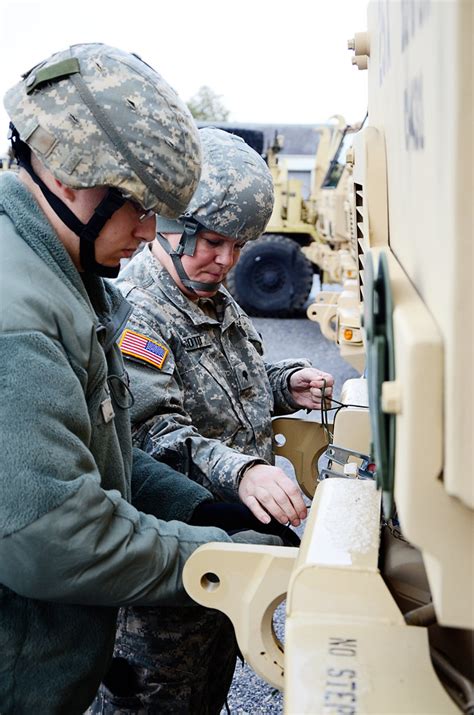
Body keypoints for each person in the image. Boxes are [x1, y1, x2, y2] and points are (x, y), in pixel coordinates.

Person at [0, 45, 279, 715]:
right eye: (141, 207)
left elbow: (103, 451)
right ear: (73, 178)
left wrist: (200, 506)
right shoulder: (20, 315)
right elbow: (53, 534)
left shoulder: (64, 279)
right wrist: (219, 554)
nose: (151, 231)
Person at [93, 127, 334, 712]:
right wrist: (244, 472)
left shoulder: (209, 292)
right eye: (213, 243)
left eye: (239, 246)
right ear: (173, 229)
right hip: (173, 564)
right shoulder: (140, 311)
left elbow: (228, 380)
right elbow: (149, 435)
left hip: (228, 548)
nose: (226, 261)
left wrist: (286, 382)